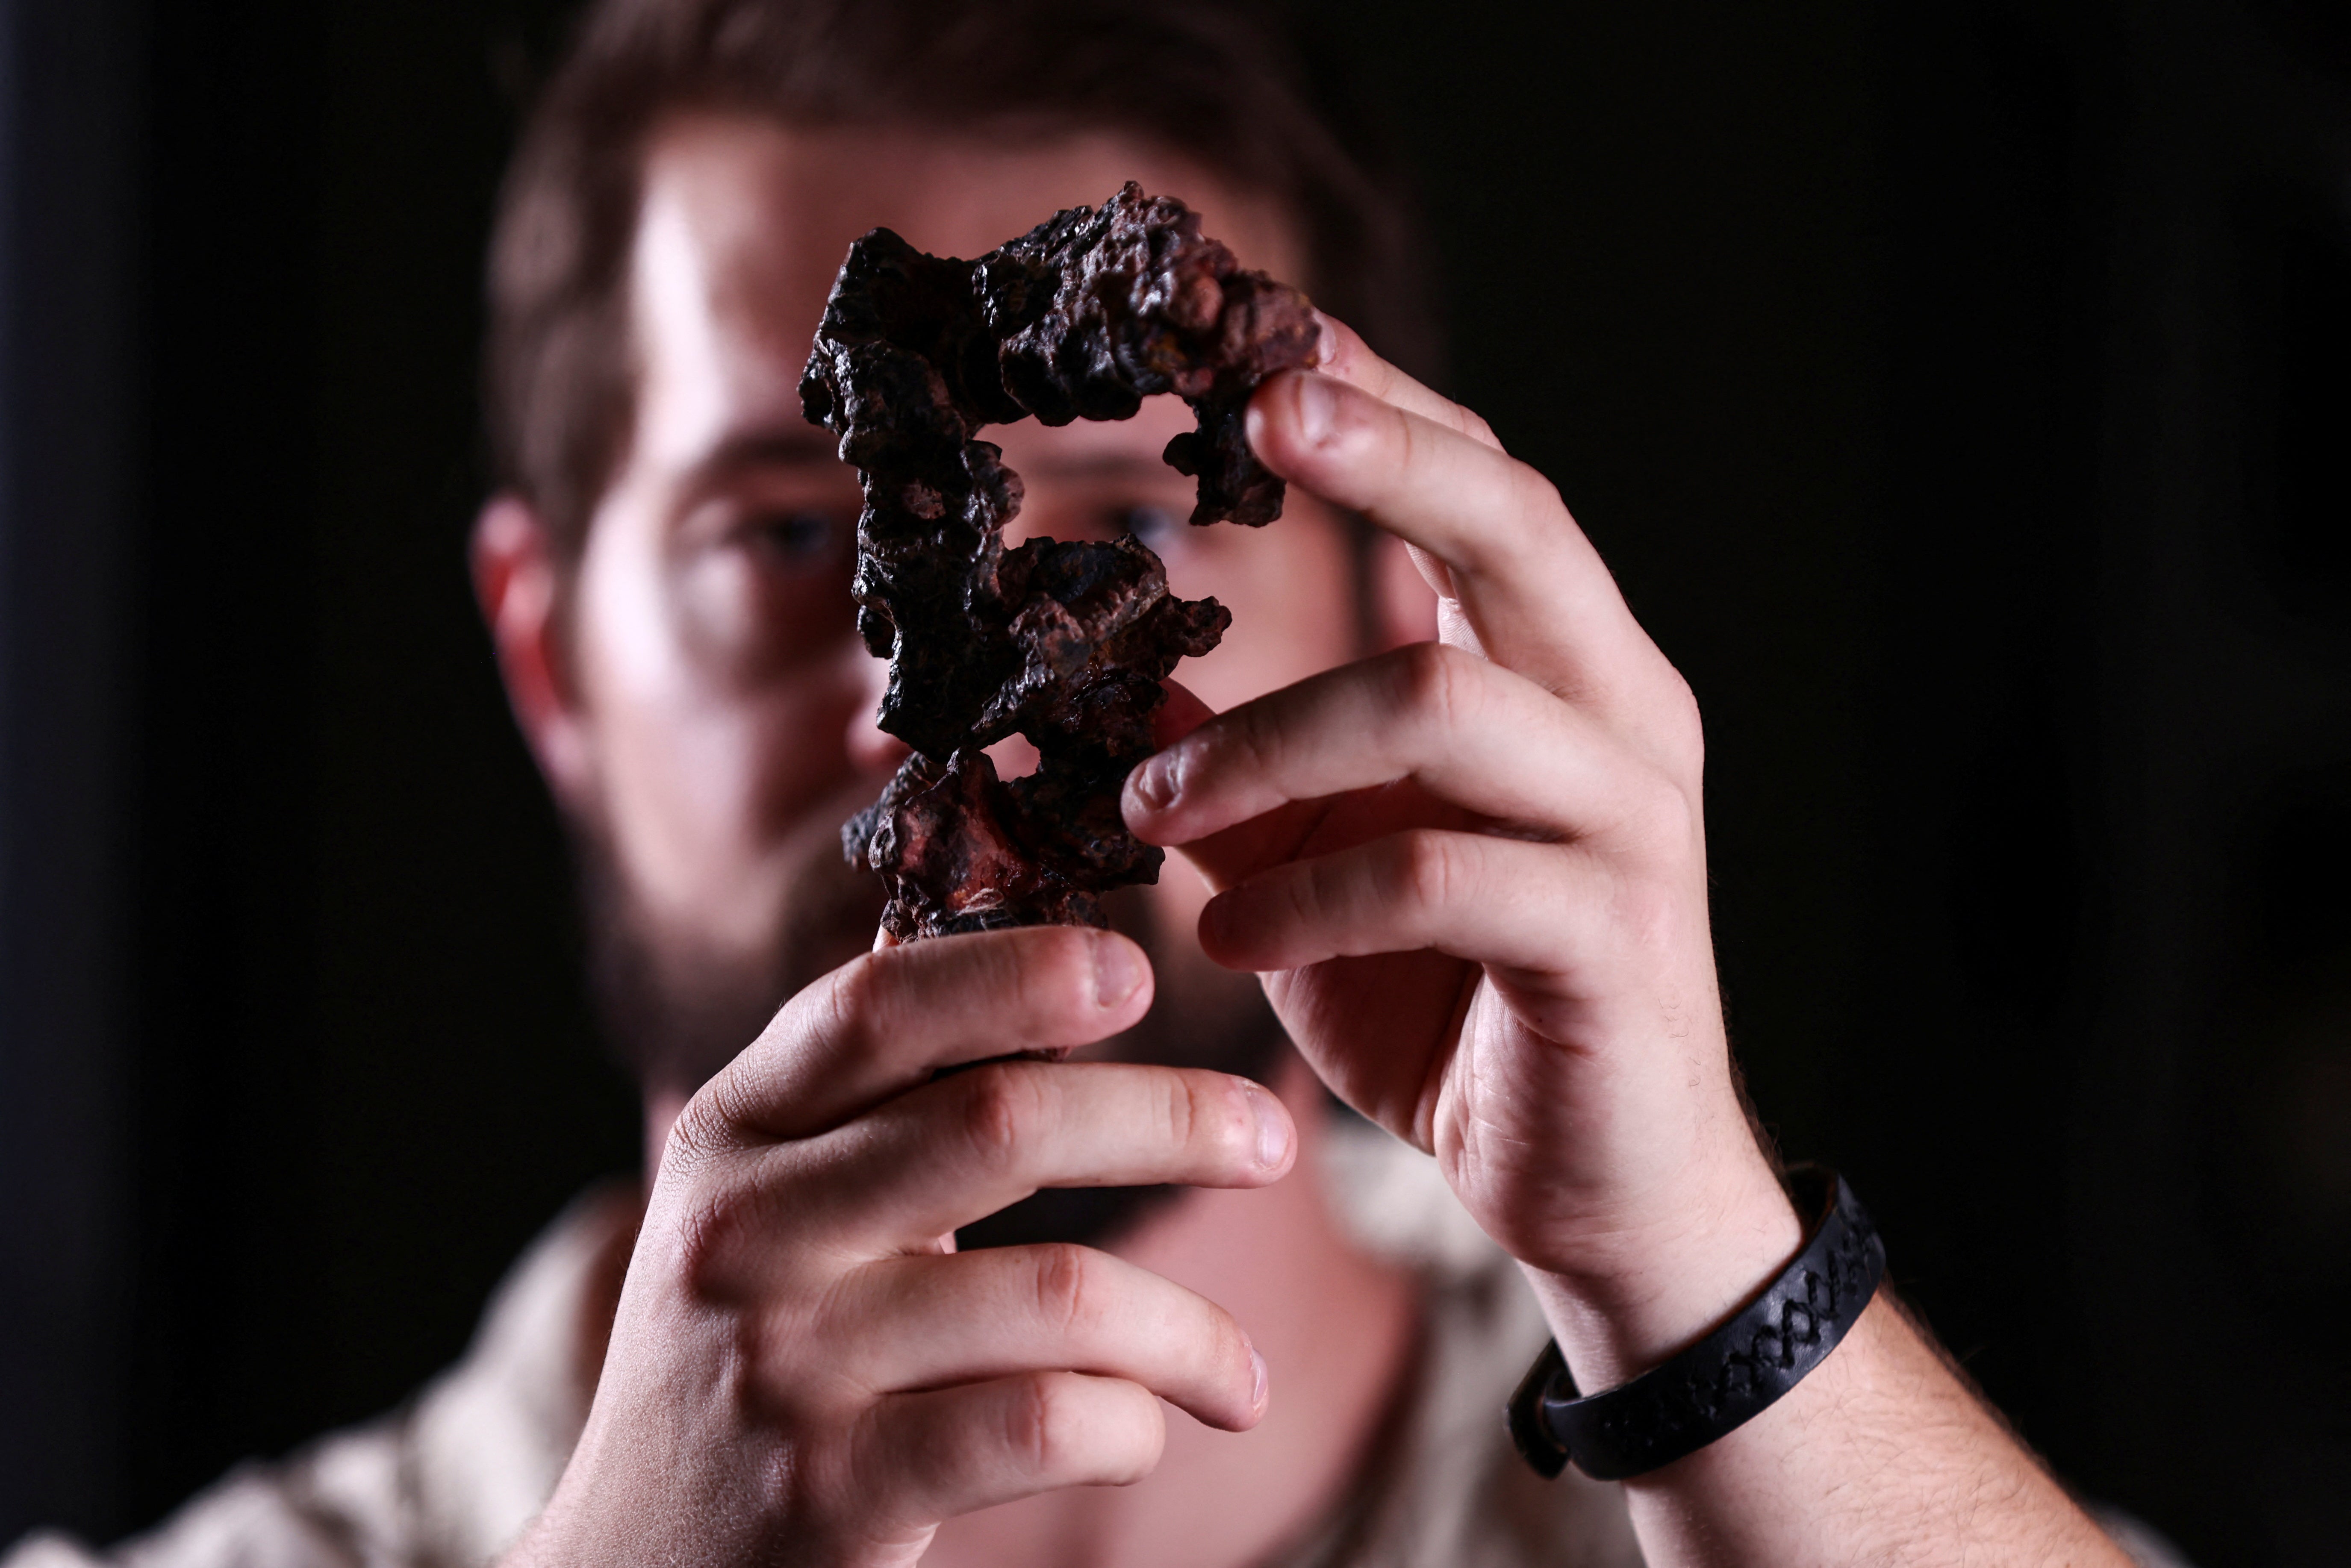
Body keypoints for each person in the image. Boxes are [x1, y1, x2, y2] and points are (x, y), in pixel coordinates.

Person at [6, 2, 2189, 1565]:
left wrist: (1701, 1277)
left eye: (1136, 528)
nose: (936, 698)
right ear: (549, 652)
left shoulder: (1787, 1492)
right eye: (784, 538)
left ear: (1385, 604)